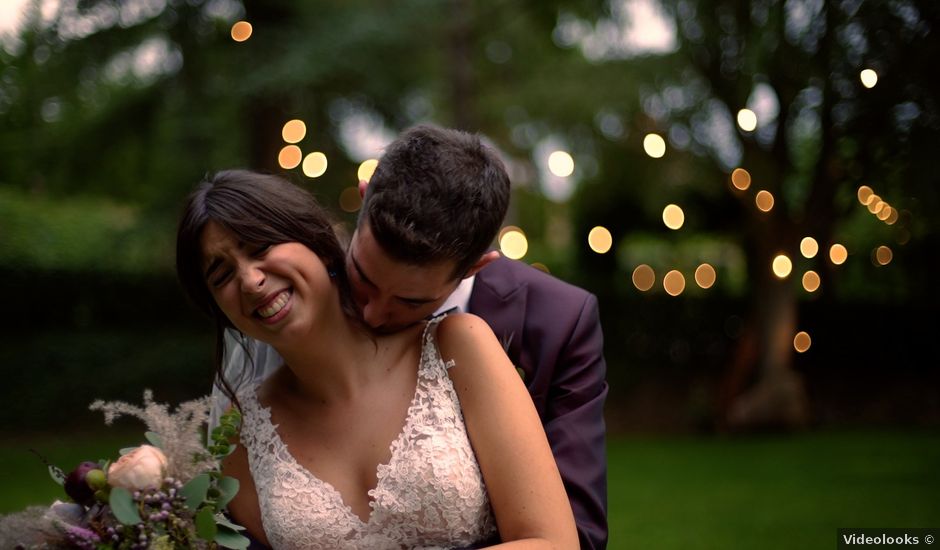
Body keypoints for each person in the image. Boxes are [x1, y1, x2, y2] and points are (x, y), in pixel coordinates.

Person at [216, 124, 609, 549]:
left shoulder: (557, 321)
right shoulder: (303, 300)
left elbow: (577, 534)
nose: (372, 312)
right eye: (363, 278)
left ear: (477, 266)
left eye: (410, 301)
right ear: (364, 197)